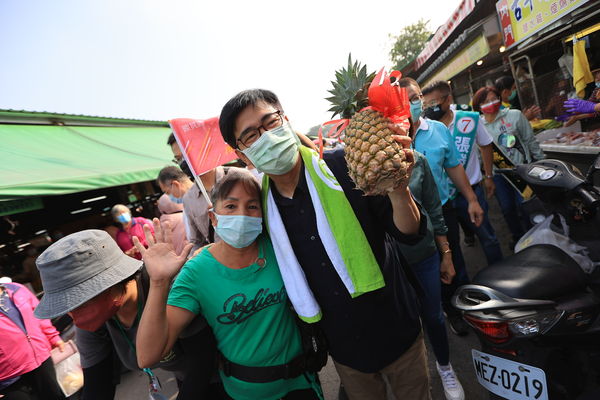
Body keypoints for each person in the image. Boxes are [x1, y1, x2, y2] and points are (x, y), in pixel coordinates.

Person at [218, 89, 429, 400]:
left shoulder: (345, 166)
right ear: (241, 153)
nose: (266, 137)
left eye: (270, 122)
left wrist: (399, 190)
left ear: (286, 120)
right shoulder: (259, 210)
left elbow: (409, 232)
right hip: (345, 350)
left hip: (397, 327)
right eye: (251, 135)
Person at [136, 169, 322, 400]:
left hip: (302, 383)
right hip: (246, 391)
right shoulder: (196, 273)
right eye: (231, 206)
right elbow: (148, 356)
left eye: (252, 206)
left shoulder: (277, 247)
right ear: (213, 217)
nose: (243, 215)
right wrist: (158, 282)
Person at [34, 230, 218, 400]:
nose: (71, 314)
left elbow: (202, 361)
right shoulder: (95, 320)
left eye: (78, 302)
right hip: (185, 378)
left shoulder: (167, 286)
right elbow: (98, 385)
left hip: (227, 378)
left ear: (110, 284)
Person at [398, 78, 484, 337]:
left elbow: (454, 166)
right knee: (418, 272)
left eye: (414, 97)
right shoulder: (387, 139)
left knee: (452, 260)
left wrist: (471, 199)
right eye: (403, 99)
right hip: (408, 220)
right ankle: (427, 317)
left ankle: (457, 309)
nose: (411, 103)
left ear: (421, 100)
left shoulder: (437, 130)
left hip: (443, 211)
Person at [398, 148, 465, 400]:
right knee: (406, 324)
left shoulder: (417, 160)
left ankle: (445, 366)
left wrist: (446, 254)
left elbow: (434, 209)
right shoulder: (362, 165)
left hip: (424, 256)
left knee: (434, 317)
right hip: (389, 264)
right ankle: (415, 378)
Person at [420, 80, 503, 266]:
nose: (428, 109)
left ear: (448, 99)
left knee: (487, 236)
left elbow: (486, 145)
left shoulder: (469, 119)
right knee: (452, 248)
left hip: (471, 192)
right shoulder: (426, 130)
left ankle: (501, 272)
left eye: (433, 103)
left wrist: (489, 176)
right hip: (443, 199)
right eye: (425, 105)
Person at [472, 86, 545, 244]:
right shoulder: (477, 125)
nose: (491, 103)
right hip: (499, 175)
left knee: (526, 205)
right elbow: (478, 154)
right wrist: (483, 177)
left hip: (521, 170)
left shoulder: (515, 115)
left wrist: (541, 161)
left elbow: (530, 140)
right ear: (478, 106)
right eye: (485, 101)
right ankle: (518, 237)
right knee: (507, 208)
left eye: (494, 99)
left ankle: (535, 238)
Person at [0, 282, 65, 400]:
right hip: (8, 376)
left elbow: (39, 315)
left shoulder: (16, 288)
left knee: (54, 396)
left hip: (41, 358)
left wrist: (53, 337)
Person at [157, 166, 227, 254]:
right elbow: (196, 240)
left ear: (175, 184)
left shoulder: (209, 193)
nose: (168, 196)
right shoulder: (187, 202)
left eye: (167, 192)